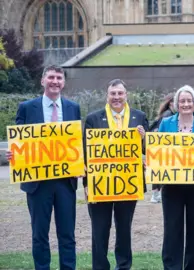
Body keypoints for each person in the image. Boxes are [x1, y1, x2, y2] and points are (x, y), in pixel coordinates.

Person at [6, 65, 81, 270]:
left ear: (63, 82)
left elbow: (77, 143)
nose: (55, 81)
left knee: (67, 234)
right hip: (37, 183)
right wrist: (14, 153)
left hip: (66, 182)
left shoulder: (73, 107)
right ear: (42, 81)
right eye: (51, 77)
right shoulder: (27, 107)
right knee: (39, 234)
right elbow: (19, 142)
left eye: (59, 78)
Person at [83, 79, 148, 270]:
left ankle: (124, 266)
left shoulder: (139, 116)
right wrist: (87, 184)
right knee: (100, 230)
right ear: (107, 96)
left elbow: (149, 150)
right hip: (100, 184)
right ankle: (100, 266)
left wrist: (144, 138)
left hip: (128, 183)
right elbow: (87, 154)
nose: (117, 97)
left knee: (124, 230)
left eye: (120, 93)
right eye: (113, 94)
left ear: (126, 95)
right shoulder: (93, 118)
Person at [158, 85, 194, 270]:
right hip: (172, 186)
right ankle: (172, 266)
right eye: (182, 101)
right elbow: (159, 152)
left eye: (189, 100)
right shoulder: (166, 124)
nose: (186, 104)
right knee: (172, 230)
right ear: (176, 104)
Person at [149, 92, 175, 203]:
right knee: (160, 170)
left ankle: (156, 194)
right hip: (161, 147)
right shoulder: (168, 115)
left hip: (160, 147)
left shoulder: (167, 113)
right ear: (170, 103)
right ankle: (155, 194)